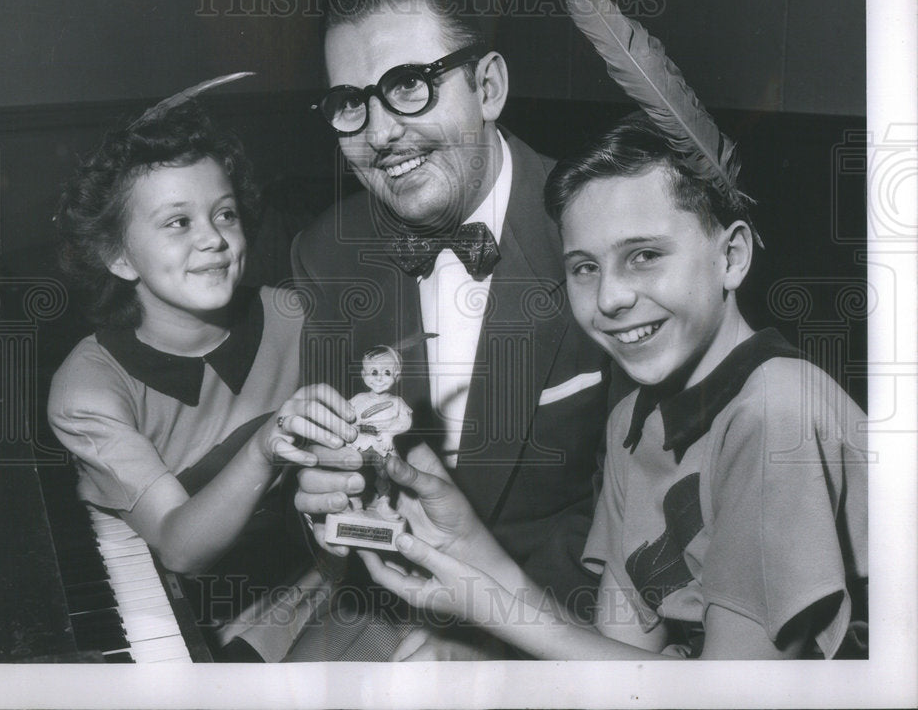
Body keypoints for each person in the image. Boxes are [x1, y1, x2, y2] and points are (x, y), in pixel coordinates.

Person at [358, 110, 868, 659]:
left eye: (644, 256)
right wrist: (469, 551)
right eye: (584, 268)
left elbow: (735, 696)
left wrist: (490, 617)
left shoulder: (777, 410)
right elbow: (618, 658)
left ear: (732, 256)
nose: (609, 299)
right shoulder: (634, 421)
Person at [290, 0, 611, 659]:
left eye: (408, 86)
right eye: (351, 103)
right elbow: (347, 491)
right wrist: (326, 504)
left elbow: (645, 519)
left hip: (567, 620)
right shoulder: (326, 254)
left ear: (487, 87)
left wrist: (493, 635)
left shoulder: (600, 234)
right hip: (385, 600)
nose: (380, 134)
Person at [47, 98, 356, 637]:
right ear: (118, 256)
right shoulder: (89, 390)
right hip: (189, 623)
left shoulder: (300, 316)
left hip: (327, 580)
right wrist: (265, 444)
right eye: (177, 222)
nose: (212, 237)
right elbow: (180, 547)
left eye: (225, 213)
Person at [348, 345, 412, 516]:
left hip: (383, 444)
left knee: (385, 473)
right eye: (374, 372)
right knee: (354, 469)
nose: (379, 378)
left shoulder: (397, 402)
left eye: (387, 373)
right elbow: (345, 417)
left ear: (397, 377)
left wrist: (389, 434)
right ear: (364, 375)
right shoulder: (358, 399)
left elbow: (405, 421)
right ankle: (354, 501)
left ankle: (384, 502)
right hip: (358, 442)